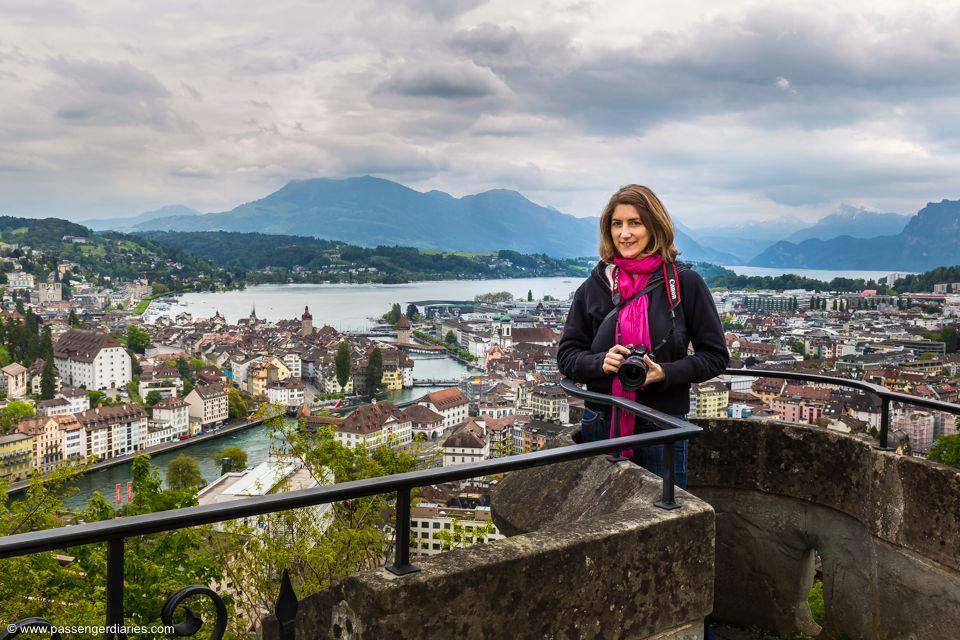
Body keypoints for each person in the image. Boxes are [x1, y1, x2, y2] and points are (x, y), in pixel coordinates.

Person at [557, 184, 729, 489]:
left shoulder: (684, 283)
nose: (625, 233)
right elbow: (568, 355)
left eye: (634, 223)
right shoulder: (595, 286)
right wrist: (601, 363)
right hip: (602, 421)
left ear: (654, 226)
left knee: (663, 518)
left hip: (662, 425)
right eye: (617, 224)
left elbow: (715, 356)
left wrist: (665, 372)